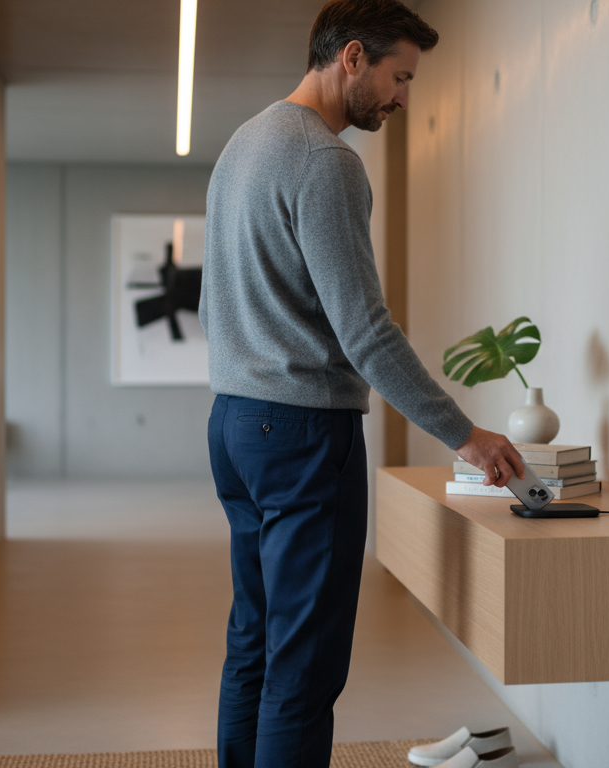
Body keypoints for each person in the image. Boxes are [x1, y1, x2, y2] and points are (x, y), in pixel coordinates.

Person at [198, 1, 526, 766]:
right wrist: (466, 435)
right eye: (398, 76)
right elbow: (366, 331)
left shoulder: (242, 145)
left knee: (254, 637)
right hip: (304, 434)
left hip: (234, 424)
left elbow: (217, 303)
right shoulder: (324, 161)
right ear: (351, 57)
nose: (404, 97)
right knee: (303, 666)